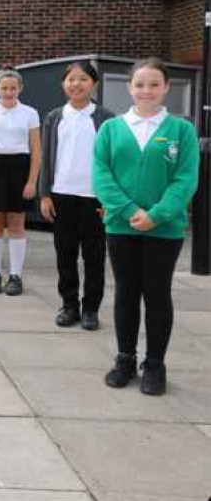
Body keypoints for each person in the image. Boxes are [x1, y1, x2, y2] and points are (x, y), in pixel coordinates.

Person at [94, 58, 198, 396]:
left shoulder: (181, 130)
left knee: (157, 294)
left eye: (154, 84)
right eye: (140, 84)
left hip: (163, 230)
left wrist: (157, 213)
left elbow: (186, 178)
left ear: (167, 87)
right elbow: (101, 174)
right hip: (121, 228)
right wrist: (127, 210)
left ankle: (155, 364)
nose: (147, 91)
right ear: (130, 88)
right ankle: (125, 358)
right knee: (126, 292)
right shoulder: (111, 128)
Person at [39, 61, 115, 330]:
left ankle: (91, 309)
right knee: (65, 255)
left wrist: (110, 199)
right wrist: (45, 194)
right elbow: (46, 157)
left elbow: (114, 160)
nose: (76, 84)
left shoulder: (106, 117)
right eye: (71, 79)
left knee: (94, 256)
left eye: (83, 79)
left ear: (94, 84)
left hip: (95, 198)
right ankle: (69, 305)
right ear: (63, 84)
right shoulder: (54, 117)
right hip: (61, 196)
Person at [0, 69, 41, 297]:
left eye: (13, 88)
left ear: (20, 88)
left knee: (16, 224)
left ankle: (15, 275)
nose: (9, 92)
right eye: (4, 88)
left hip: (19, 170)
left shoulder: (30, 113)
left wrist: (32, 181)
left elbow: (36, 150)